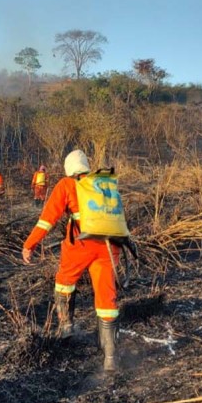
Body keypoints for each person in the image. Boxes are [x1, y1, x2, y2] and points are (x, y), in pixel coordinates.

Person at [21, 150, 131, 372]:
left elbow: (47, 220)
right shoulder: (102, 183)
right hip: (110, 246)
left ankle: (67, 326)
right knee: (106, 298)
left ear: (69, 168)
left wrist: (29, 244)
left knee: (64, 282)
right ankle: (110, 357)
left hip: (81, 245)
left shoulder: (67, 185)